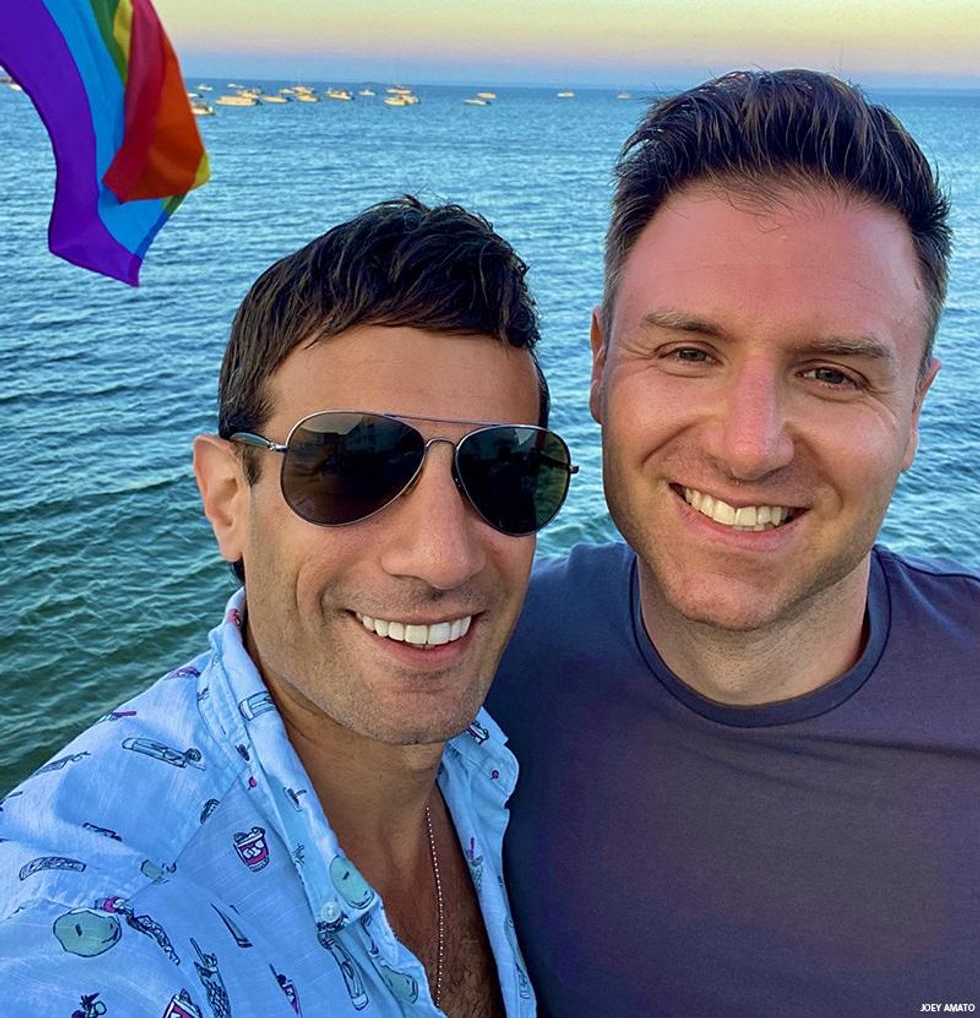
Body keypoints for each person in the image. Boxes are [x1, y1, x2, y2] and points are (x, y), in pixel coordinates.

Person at [0, 198, 576, 1018]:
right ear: (228, 495)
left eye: (505, 469)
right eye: (352, 465)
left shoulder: (492, 759)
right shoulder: (104, 911)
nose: (443, 555)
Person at [488, 69, 980, 1017]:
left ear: (915, 405)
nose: (748, 445)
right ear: (597, 365)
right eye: (687, 352)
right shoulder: (471, 676)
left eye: (832, 373)